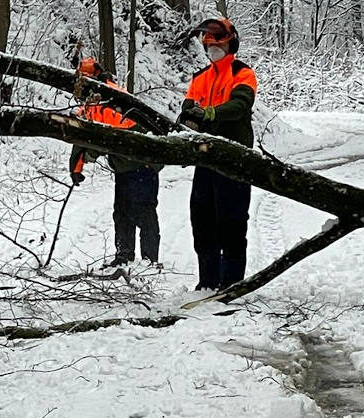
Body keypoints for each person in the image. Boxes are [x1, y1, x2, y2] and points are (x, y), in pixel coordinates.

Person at [177, 18, 258, 291]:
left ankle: (232, 282)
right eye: (209, 45)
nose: (213, 49)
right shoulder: (200, 77)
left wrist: (210, 113)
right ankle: (208, 281)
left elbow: (240, 105)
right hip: (206, 157)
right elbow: (189, 108)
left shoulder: (242, 74)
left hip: (235, 156)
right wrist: (188, 119)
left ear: (230, 43)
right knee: (202, 220)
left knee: (232, 222)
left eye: (218, 44)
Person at [69, 57, 160, 268]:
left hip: (143, 162)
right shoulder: (90, 104)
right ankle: (124, 256)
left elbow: (106, 138)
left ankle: (150, 260)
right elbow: (80, 137)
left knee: (145, 212)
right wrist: (76, 167)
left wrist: (91, 154)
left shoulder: (113, 99)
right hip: (123, 166)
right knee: (122, 212)